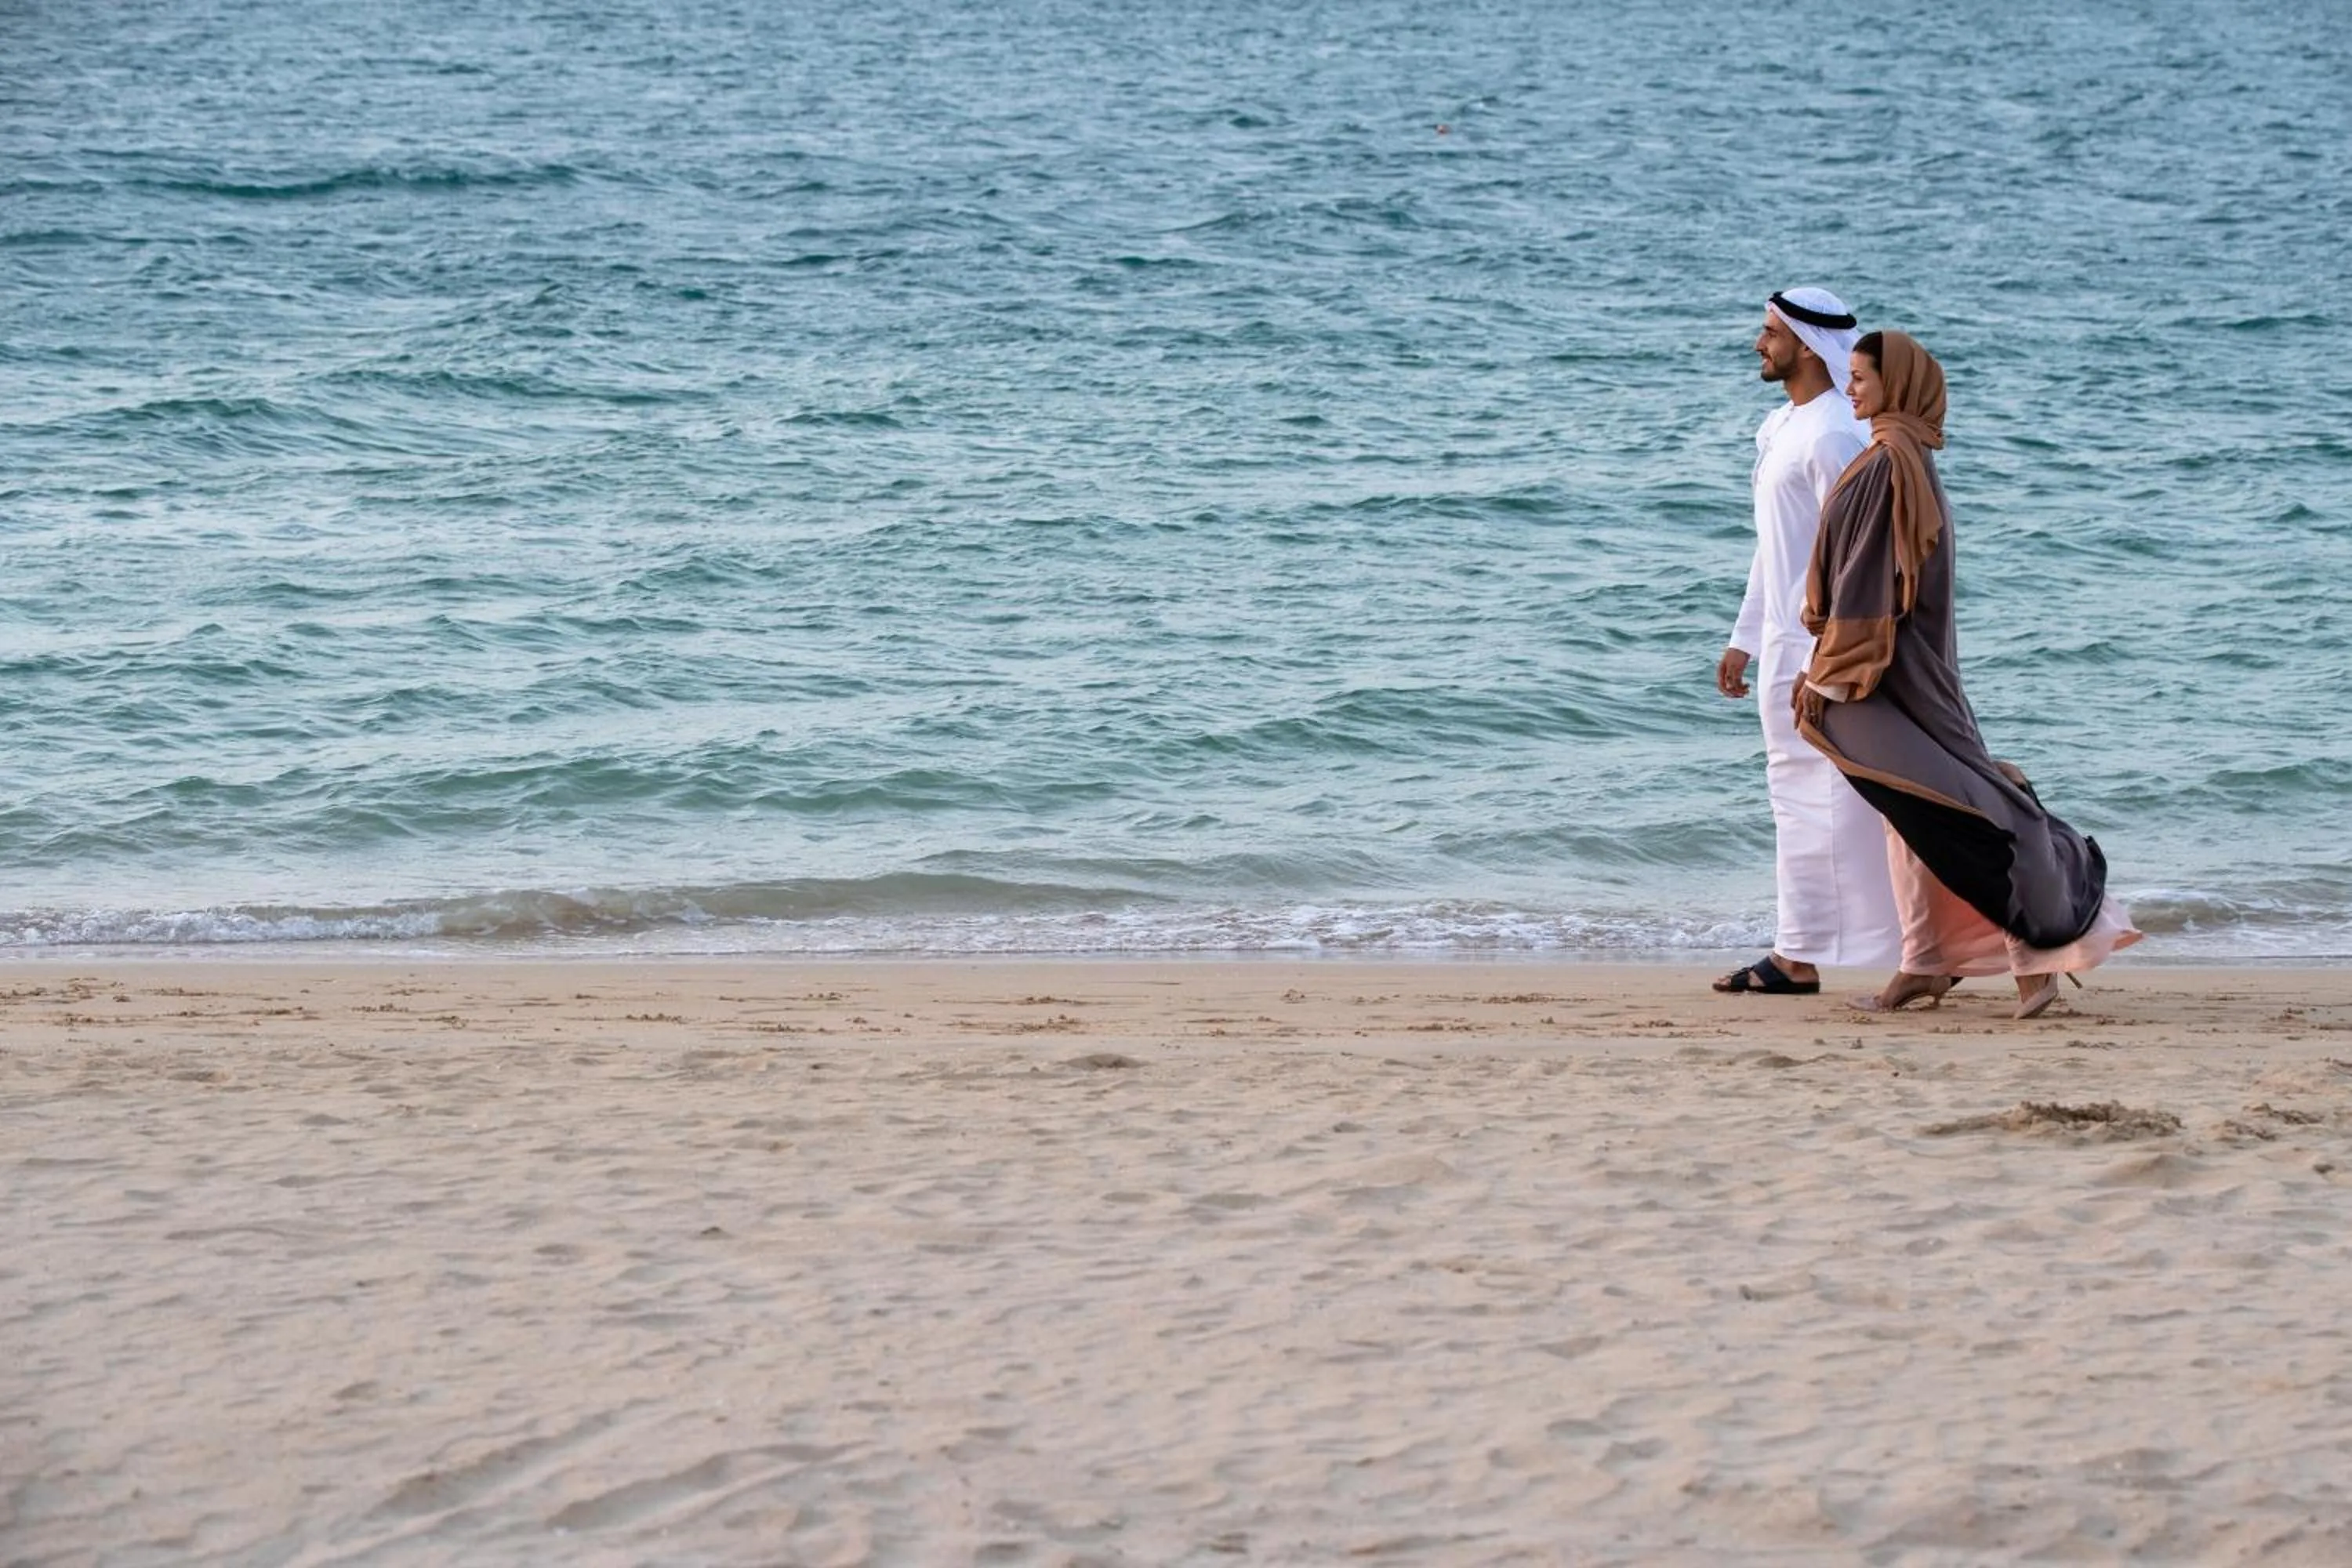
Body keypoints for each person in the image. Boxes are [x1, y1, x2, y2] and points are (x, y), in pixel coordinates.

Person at [1793, 330, 2139, 1018]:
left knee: (1960, 806)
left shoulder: (1891, 463)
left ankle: (2033, 959)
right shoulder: (1907, 455)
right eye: (1852, 374)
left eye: (1864, 377)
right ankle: (1926, 963)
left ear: (1900, 385)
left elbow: (1866, 585)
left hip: (1886, 674)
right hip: (1912, 669)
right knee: (1913, 813)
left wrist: (1827, 679)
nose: (1852, 387)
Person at [1712, 289, 1902, 997]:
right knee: (1793, 796)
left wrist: (1828, 656)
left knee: (1840, 801)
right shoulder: (1782, 427)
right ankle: (1798, 950)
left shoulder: (1833, 436)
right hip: (1780, 642)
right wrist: (1744, 640)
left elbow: (1855, 555)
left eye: (1770, 333)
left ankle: (1823, 951)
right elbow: (1776, 549)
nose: (1759, 344)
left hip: (1820, 647)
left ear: (1803, 342)